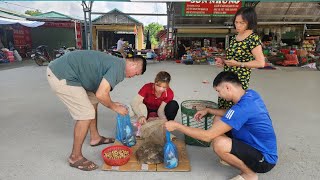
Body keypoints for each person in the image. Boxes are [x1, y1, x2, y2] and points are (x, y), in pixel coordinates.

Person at [165, 71, 277, 180]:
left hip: (265, 159)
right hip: (251, 141)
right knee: (218, 117)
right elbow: (232, 114)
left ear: (228, 87)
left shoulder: (242, 108)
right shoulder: (250, 94)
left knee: (219, 143)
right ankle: (230, 155)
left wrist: (178, 126)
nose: (219, 95)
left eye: (219, 91)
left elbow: (207, 136)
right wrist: (208, 110)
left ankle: (249, 175)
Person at [46, 50, 146, 171]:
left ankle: (95, 138)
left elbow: (99, 93)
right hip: (62, 74)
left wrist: (112, 103)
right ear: (134, 64)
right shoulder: (120, 67)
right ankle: (75, 157)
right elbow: (101, 93)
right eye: (135, 74)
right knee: (86, 114)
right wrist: (114, 107)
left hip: (71, 72)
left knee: (93, 101)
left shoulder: (117, 63)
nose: (132, 77)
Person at [215, 7, 265, 138]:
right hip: (226, 78)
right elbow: (232, 58)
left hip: (238, 81)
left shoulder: (253, 38)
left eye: (241, 23)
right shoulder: (236, 37)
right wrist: (223, 61)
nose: (237, 25)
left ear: (250, 22)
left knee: (235, 110)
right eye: (236, 22)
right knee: (224, 106)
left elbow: (261, 63)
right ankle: (225, 138)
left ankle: (234, 141)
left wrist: (239, 64)